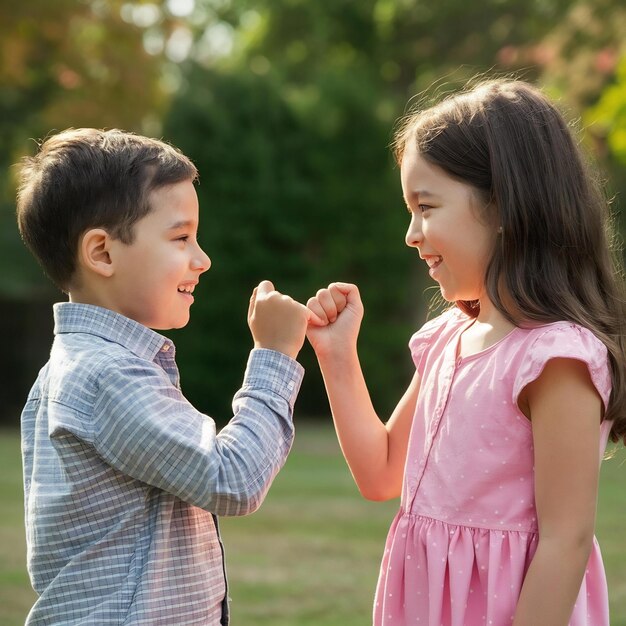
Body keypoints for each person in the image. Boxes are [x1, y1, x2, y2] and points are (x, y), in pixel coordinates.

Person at [306, 79, 626, 625]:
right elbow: (381, 473)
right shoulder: (446, 340)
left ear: (504, 206)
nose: (411, 233)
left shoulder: (554, 359)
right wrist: (337, 355)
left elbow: (565, 544)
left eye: (426, 206)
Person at [16, 128, 310, 626]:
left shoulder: (78, 366)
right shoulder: (107, 375)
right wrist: (274, 355)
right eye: (181, 237)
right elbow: (232, 478)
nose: (203, 259)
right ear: (102, 253)